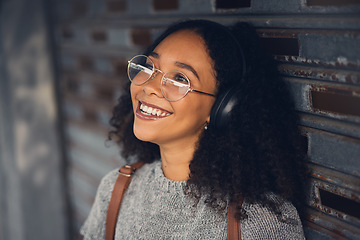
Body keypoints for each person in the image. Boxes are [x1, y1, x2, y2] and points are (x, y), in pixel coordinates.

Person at [80, 19, 309, 239]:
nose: (149, 86)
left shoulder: (257, 222)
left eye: (180, 79)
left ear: (223, 107)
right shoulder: (116, 190)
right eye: (149, 67)